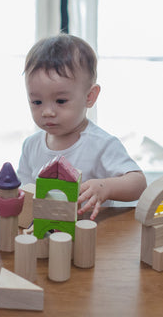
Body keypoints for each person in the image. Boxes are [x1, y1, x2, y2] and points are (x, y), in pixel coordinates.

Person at [16, 34, 146, 220]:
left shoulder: (102, 144)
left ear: (89, 96)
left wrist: (106, 187)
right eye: (37, 102)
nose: (47, 112)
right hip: (46, 232)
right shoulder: (31, 146)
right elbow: (24, 191)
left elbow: (139, 183)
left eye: (60, 101)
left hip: (92, 232)